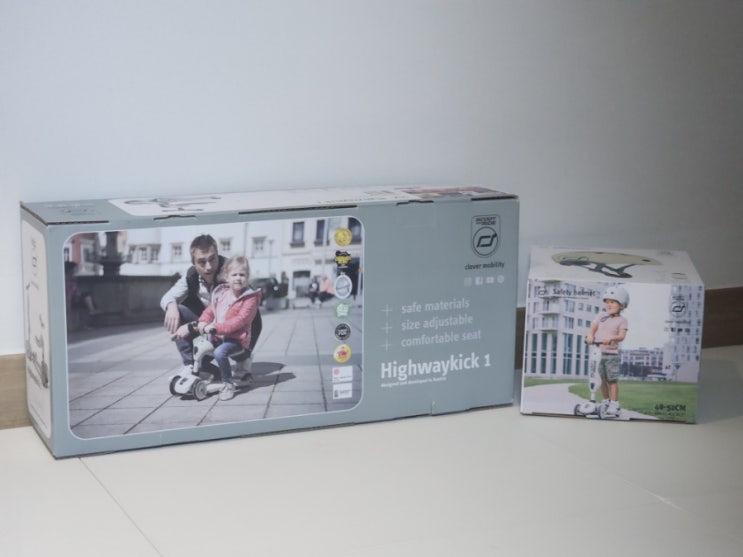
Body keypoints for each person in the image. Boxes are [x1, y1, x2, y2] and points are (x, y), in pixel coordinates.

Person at [160, 234, 262, 379]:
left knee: (244, 327)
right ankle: (191, 365)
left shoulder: (233, 272)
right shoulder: (190, 276)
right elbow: (167, 297)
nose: (209, 266)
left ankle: (244, 358)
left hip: (238, 328)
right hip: (209, 325)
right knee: (178, 310)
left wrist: (193, 327)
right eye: (202, 262)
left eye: (212, 259)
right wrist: (171, 306)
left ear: (217, 255)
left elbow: (245, 314)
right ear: (193, 262)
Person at [176, 256, 261, 401]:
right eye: (234, 274)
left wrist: (215, 327)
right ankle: (213, 374)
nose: (238, 278)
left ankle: (228, 384)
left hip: (237, 340)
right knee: (199, 352)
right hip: (218, 337)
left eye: (242, 275)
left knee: (219, 352)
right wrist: (202, 322)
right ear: (226, 277)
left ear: (247, 277)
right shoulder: (222, 294)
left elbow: (239, 321)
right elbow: (210, 310)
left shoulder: (250, 299)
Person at [586, 286, 629, 417]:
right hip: (598, 353)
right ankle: (605, 401)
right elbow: (593, 327)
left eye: (613, 302)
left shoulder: (622, 320)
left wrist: (612, 338)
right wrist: (590, 336)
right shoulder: (601, 315)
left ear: (622, 305)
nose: (608, 304)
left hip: (611, 355)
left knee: (612, 380)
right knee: (600, 379)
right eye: (607, 302)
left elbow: (621, 336)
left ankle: (614, 404)